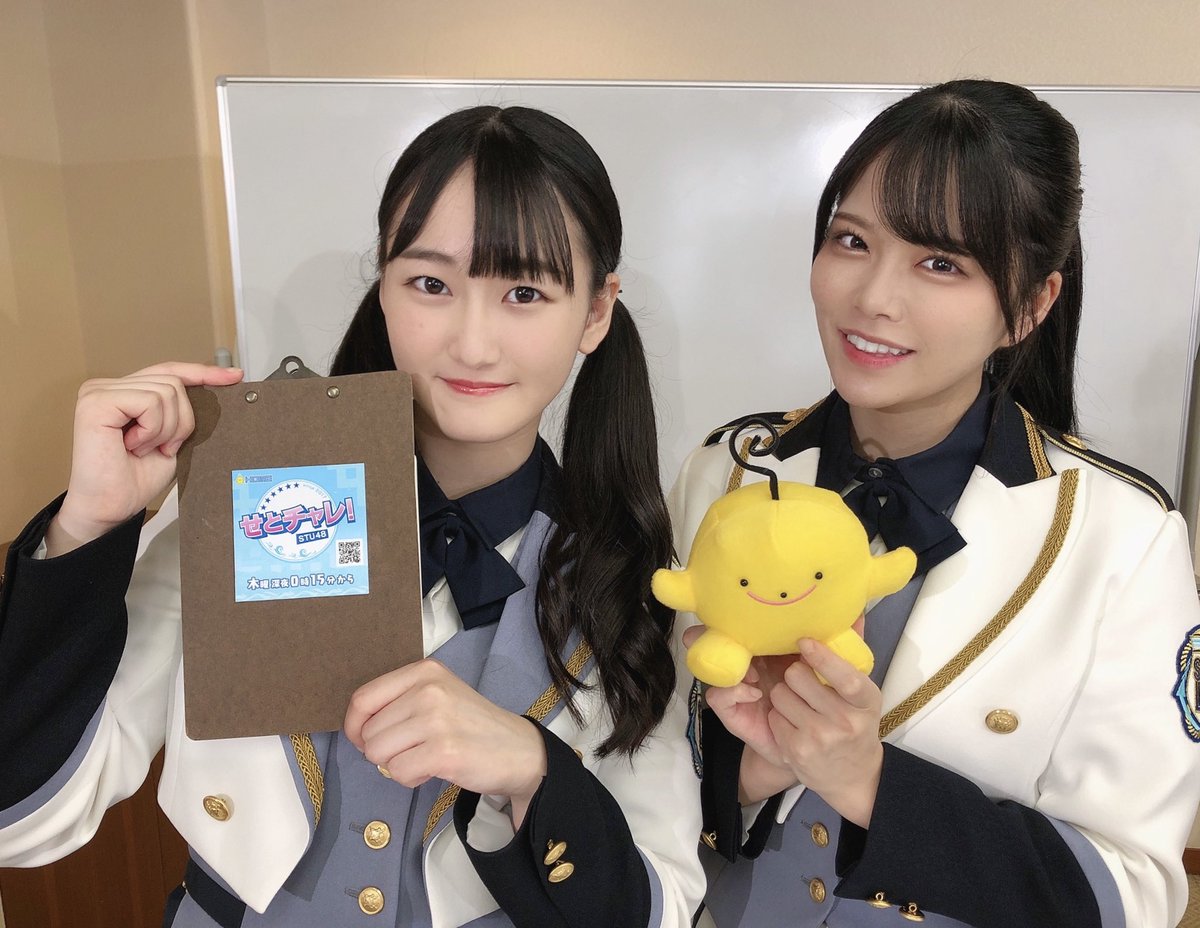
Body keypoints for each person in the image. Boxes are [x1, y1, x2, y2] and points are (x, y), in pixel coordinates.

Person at [0, 105, 704, 927]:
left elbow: (662, 906)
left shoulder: (632, 577)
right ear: (385, 287)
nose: (473, 344)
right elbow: (27, 822)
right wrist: (87, 529)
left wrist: (533, 769)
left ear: (596, 310)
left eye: (523, 292)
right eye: (431, 284)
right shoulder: (244, 494)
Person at [672, 79, 1200, 928]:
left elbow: (1131, 890)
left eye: (942, 263)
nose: (874, 297)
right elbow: (647, 771)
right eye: (851, 240)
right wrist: (750, 770)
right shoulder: (725, 473)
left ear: (1031, 305)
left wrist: (871, 783)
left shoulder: (1124, 539)